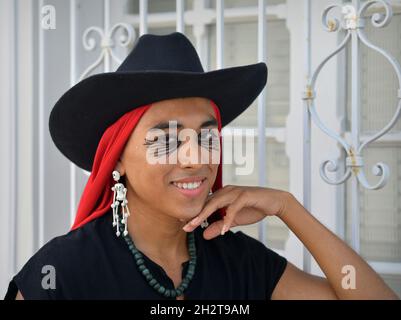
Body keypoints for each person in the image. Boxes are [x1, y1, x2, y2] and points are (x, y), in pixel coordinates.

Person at [5, 32, 398, 300]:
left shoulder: (238, 261)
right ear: (118, 158)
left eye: (207, 137)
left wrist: (286, 206)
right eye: (167, 140)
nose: (196, 158)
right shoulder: (64, 272)